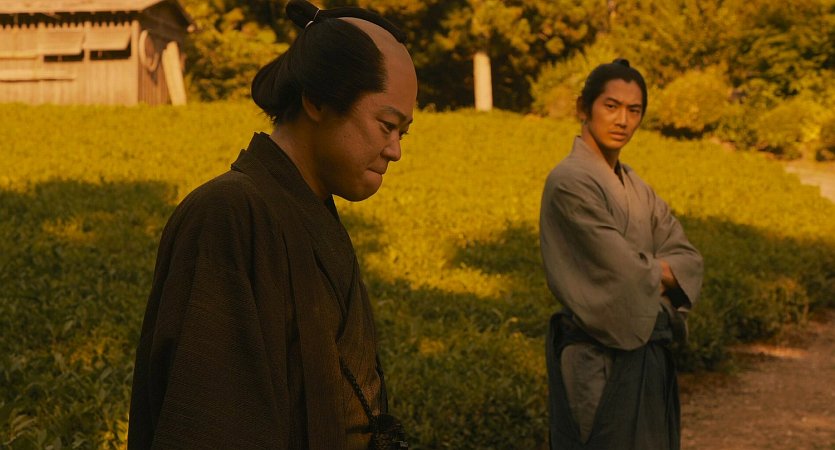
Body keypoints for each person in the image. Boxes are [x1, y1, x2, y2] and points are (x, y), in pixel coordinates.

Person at [127, 1, 417, 448]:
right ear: (317, 99)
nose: (395, 150)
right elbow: (208, 422)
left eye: (403, 132)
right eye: (386, 125)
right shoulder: (227, 215)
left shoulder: (307, 210)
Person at [539, 59, 703, 450]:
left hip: (646, 355)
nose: (623, 120)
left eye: (634, 110)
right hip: (595, 359)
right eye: (611, 106)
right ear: (584, 107)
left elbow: (688, 258)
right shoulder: (569, 182)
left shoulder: (636, 187)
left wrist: (645, 271)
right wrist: (659, 273)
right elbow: (623, 276)